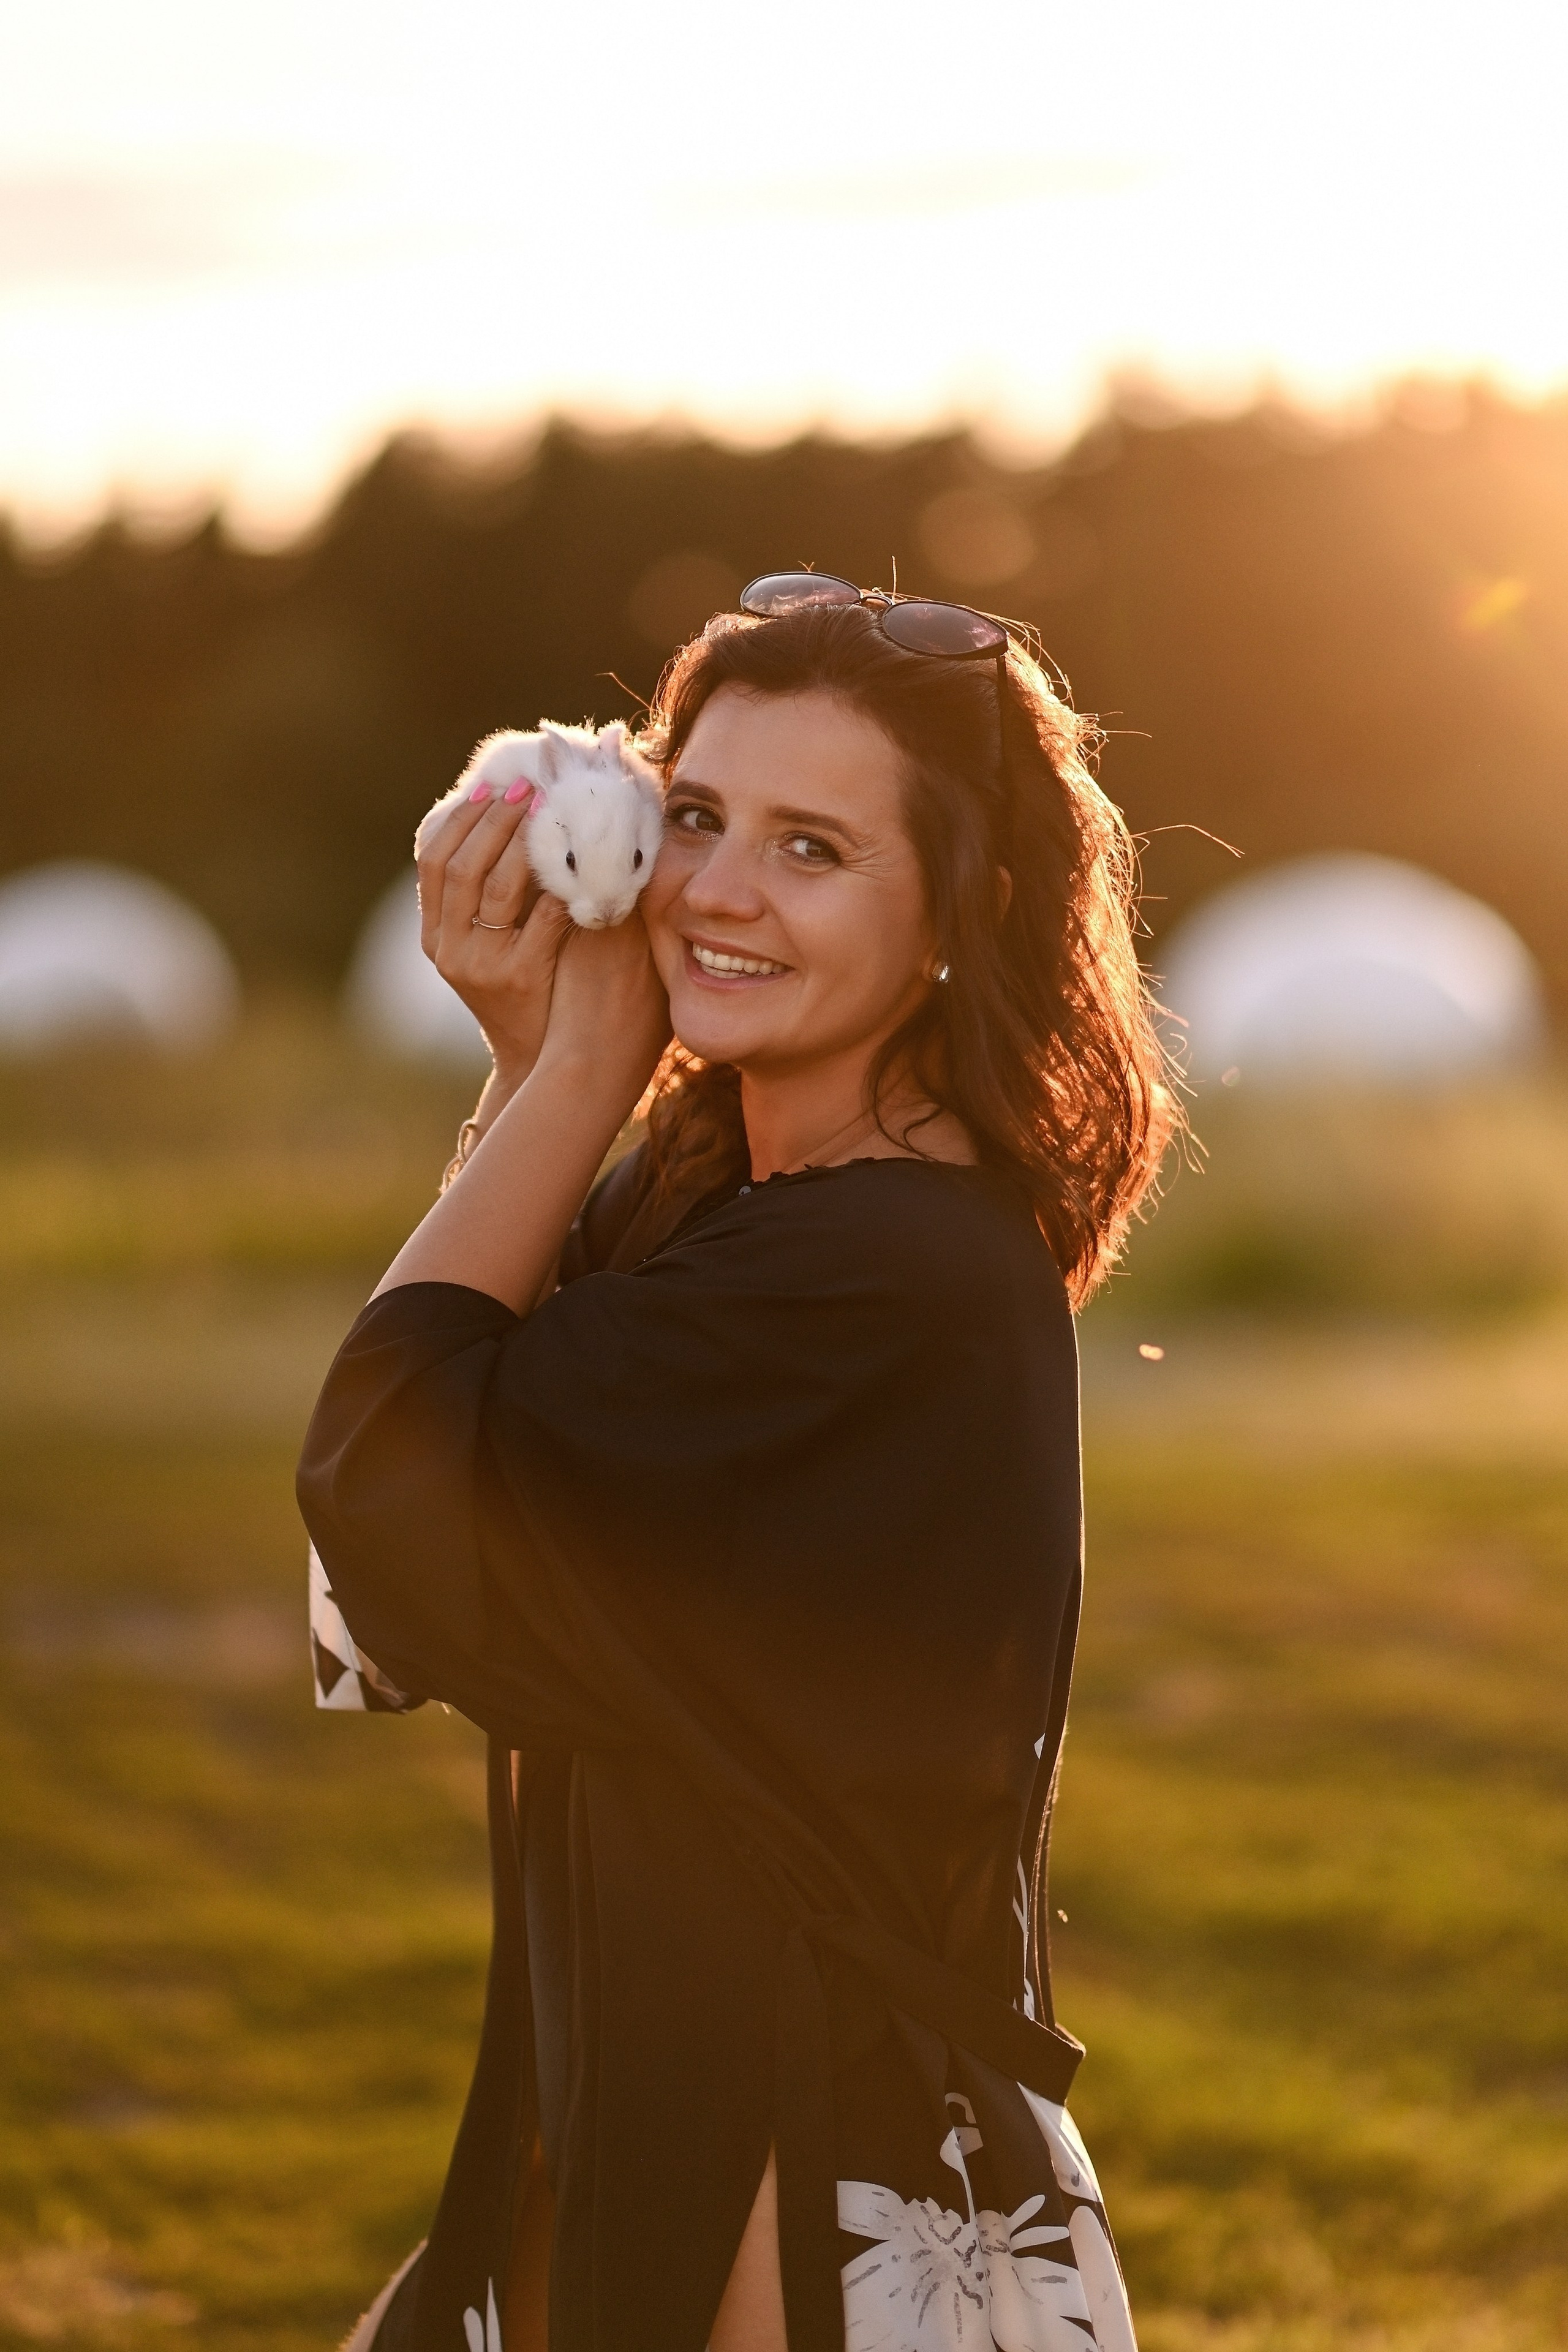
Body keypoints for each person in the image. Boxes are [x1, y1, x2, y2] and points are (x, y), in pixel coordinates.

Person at [298, 575, 1175, 2352]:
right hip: (644, 2079)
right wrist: (548, 1071)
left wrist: (571, 1076)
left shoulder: (874, 1274)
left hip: (795, 2158)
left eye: (812, 849)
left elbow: (384, 1489)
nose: (713, 890)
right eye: (694, 815)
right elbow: (412, 1517)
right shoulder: (733, 1202)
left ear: (967, 909)